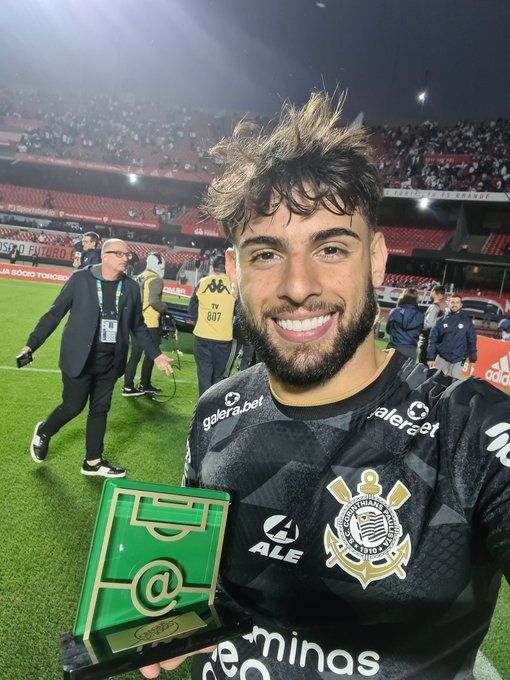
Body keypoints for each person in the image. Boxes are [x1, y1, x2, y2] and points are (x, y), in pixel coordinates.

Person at [141, 92, 510, 680]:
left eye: (331, 247)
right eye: (267, 254)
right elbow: (200, 576)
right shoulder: (215, 412)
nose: (298, 285)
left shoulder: (472, 431)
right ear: (234, 273)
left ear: (377, 261)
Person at [22, 239, 174, 478]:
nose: (126, 259)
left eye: (127, 255)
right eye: (120, 254)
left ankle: (92, 462)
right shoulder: (80, 280)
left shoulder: (131, 287)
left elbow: (138, 326)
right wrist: (31, 345)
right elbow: (54, 314)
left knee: (100, 409)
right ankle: (44, 431)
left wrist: (157, 355)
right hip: (79, 359)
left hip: (111, 362)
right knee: (73, 407)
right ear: (105, 256)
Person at [188, 255, 235, 395]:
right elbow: (240, 310)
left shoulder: (202, 282)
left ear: (213, 268)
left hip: (202, 335)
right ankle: (214, 406)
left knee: (204, 375)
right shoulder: (234, 285)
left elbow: (191, 309)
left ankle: (203, 406)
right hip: (223, 337)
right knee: (218, 377)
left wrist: (202, 320)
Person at [123, 253, 168, 396]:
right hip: (150, 323)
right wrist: (164, 308)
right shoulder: (156, 279)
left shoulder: (140, 276)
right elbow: (154, 301)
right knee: (151, 355)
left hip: (136, 322)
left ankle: (128, 386)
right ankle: (145, 384)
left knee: (134, 356)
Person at [427, 294, 477, 379]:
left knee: (452, 385)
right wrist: (430, 357)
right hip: (441, 357)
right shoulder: (440, 321)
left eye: (457, 302)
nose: (455, 304)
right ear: (448, 303)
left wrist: (473, 359)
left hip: (458, 359)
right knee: (433, 380)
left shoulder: (467, 322)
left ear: (461, 305)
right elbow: (432, 340)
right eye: (452, 302)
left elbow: (472, 341)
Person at [385, 287, 424, 359]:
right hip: (410, 350)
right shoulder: (421, 315)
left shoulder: (395, 311)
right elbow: (419, 331)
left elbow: (388, 330)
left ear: (403, 297)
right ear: (416, 299)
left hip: (394, 347)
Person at [417, 284, 446, 364]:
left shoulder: (435, 306)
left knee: (423, 365)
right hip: (442, 341)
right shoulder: (447, 306)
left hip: (430, 341)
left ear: (434, 292)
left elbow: (428, 324)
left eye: (431, 292)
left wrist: (419, 327)